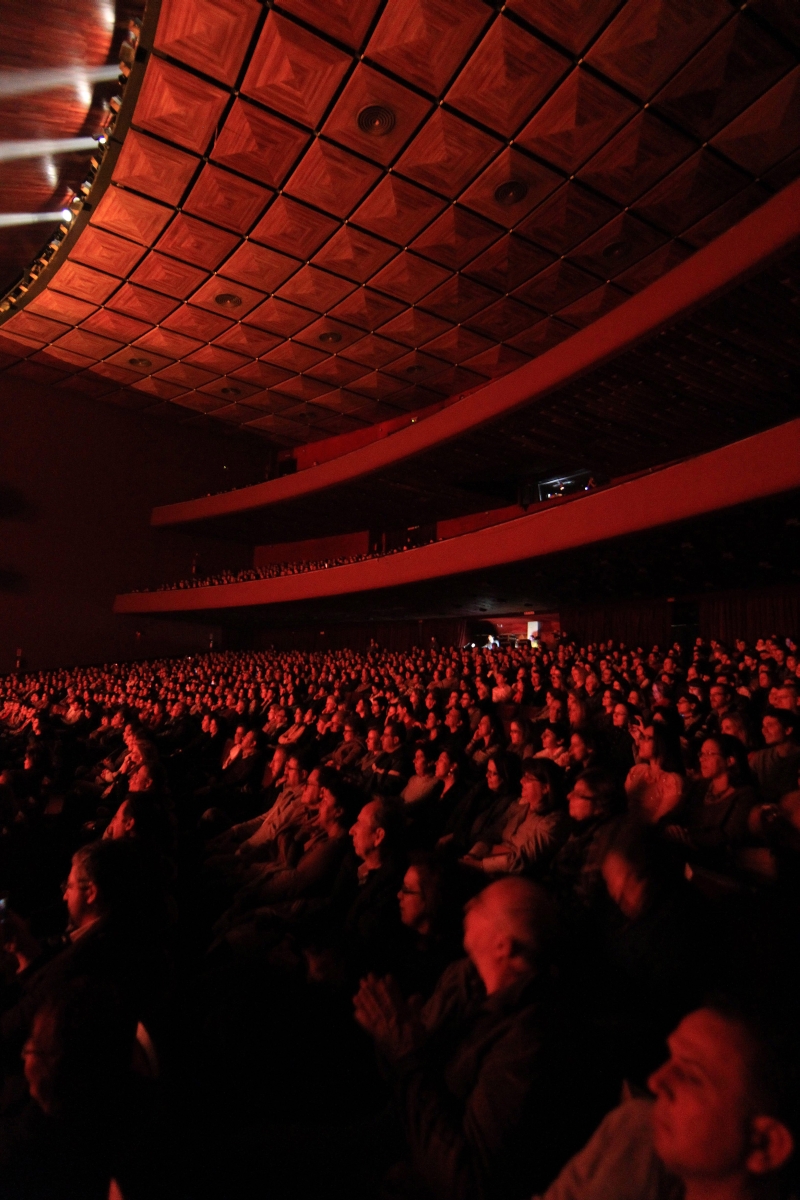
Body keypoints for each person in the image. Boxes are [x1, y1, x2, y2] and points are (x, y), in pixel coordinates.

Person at [354, 878, 579, 1200]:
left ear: (503, 945)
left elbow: (468, 1180)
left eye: (481, 904)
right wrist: (395, 1037)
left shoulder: (527, 1042)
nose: (467, 905)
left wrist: (407, 1055)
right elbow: (405, 1079)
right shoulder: (468, 984)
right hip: (392, 1135)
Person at [534, 1002, 798, 1200]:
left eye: (691, 1076)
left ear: (765, 1144)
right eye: (670, 1058)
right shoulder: (631, 1134)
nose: (656, 1081)